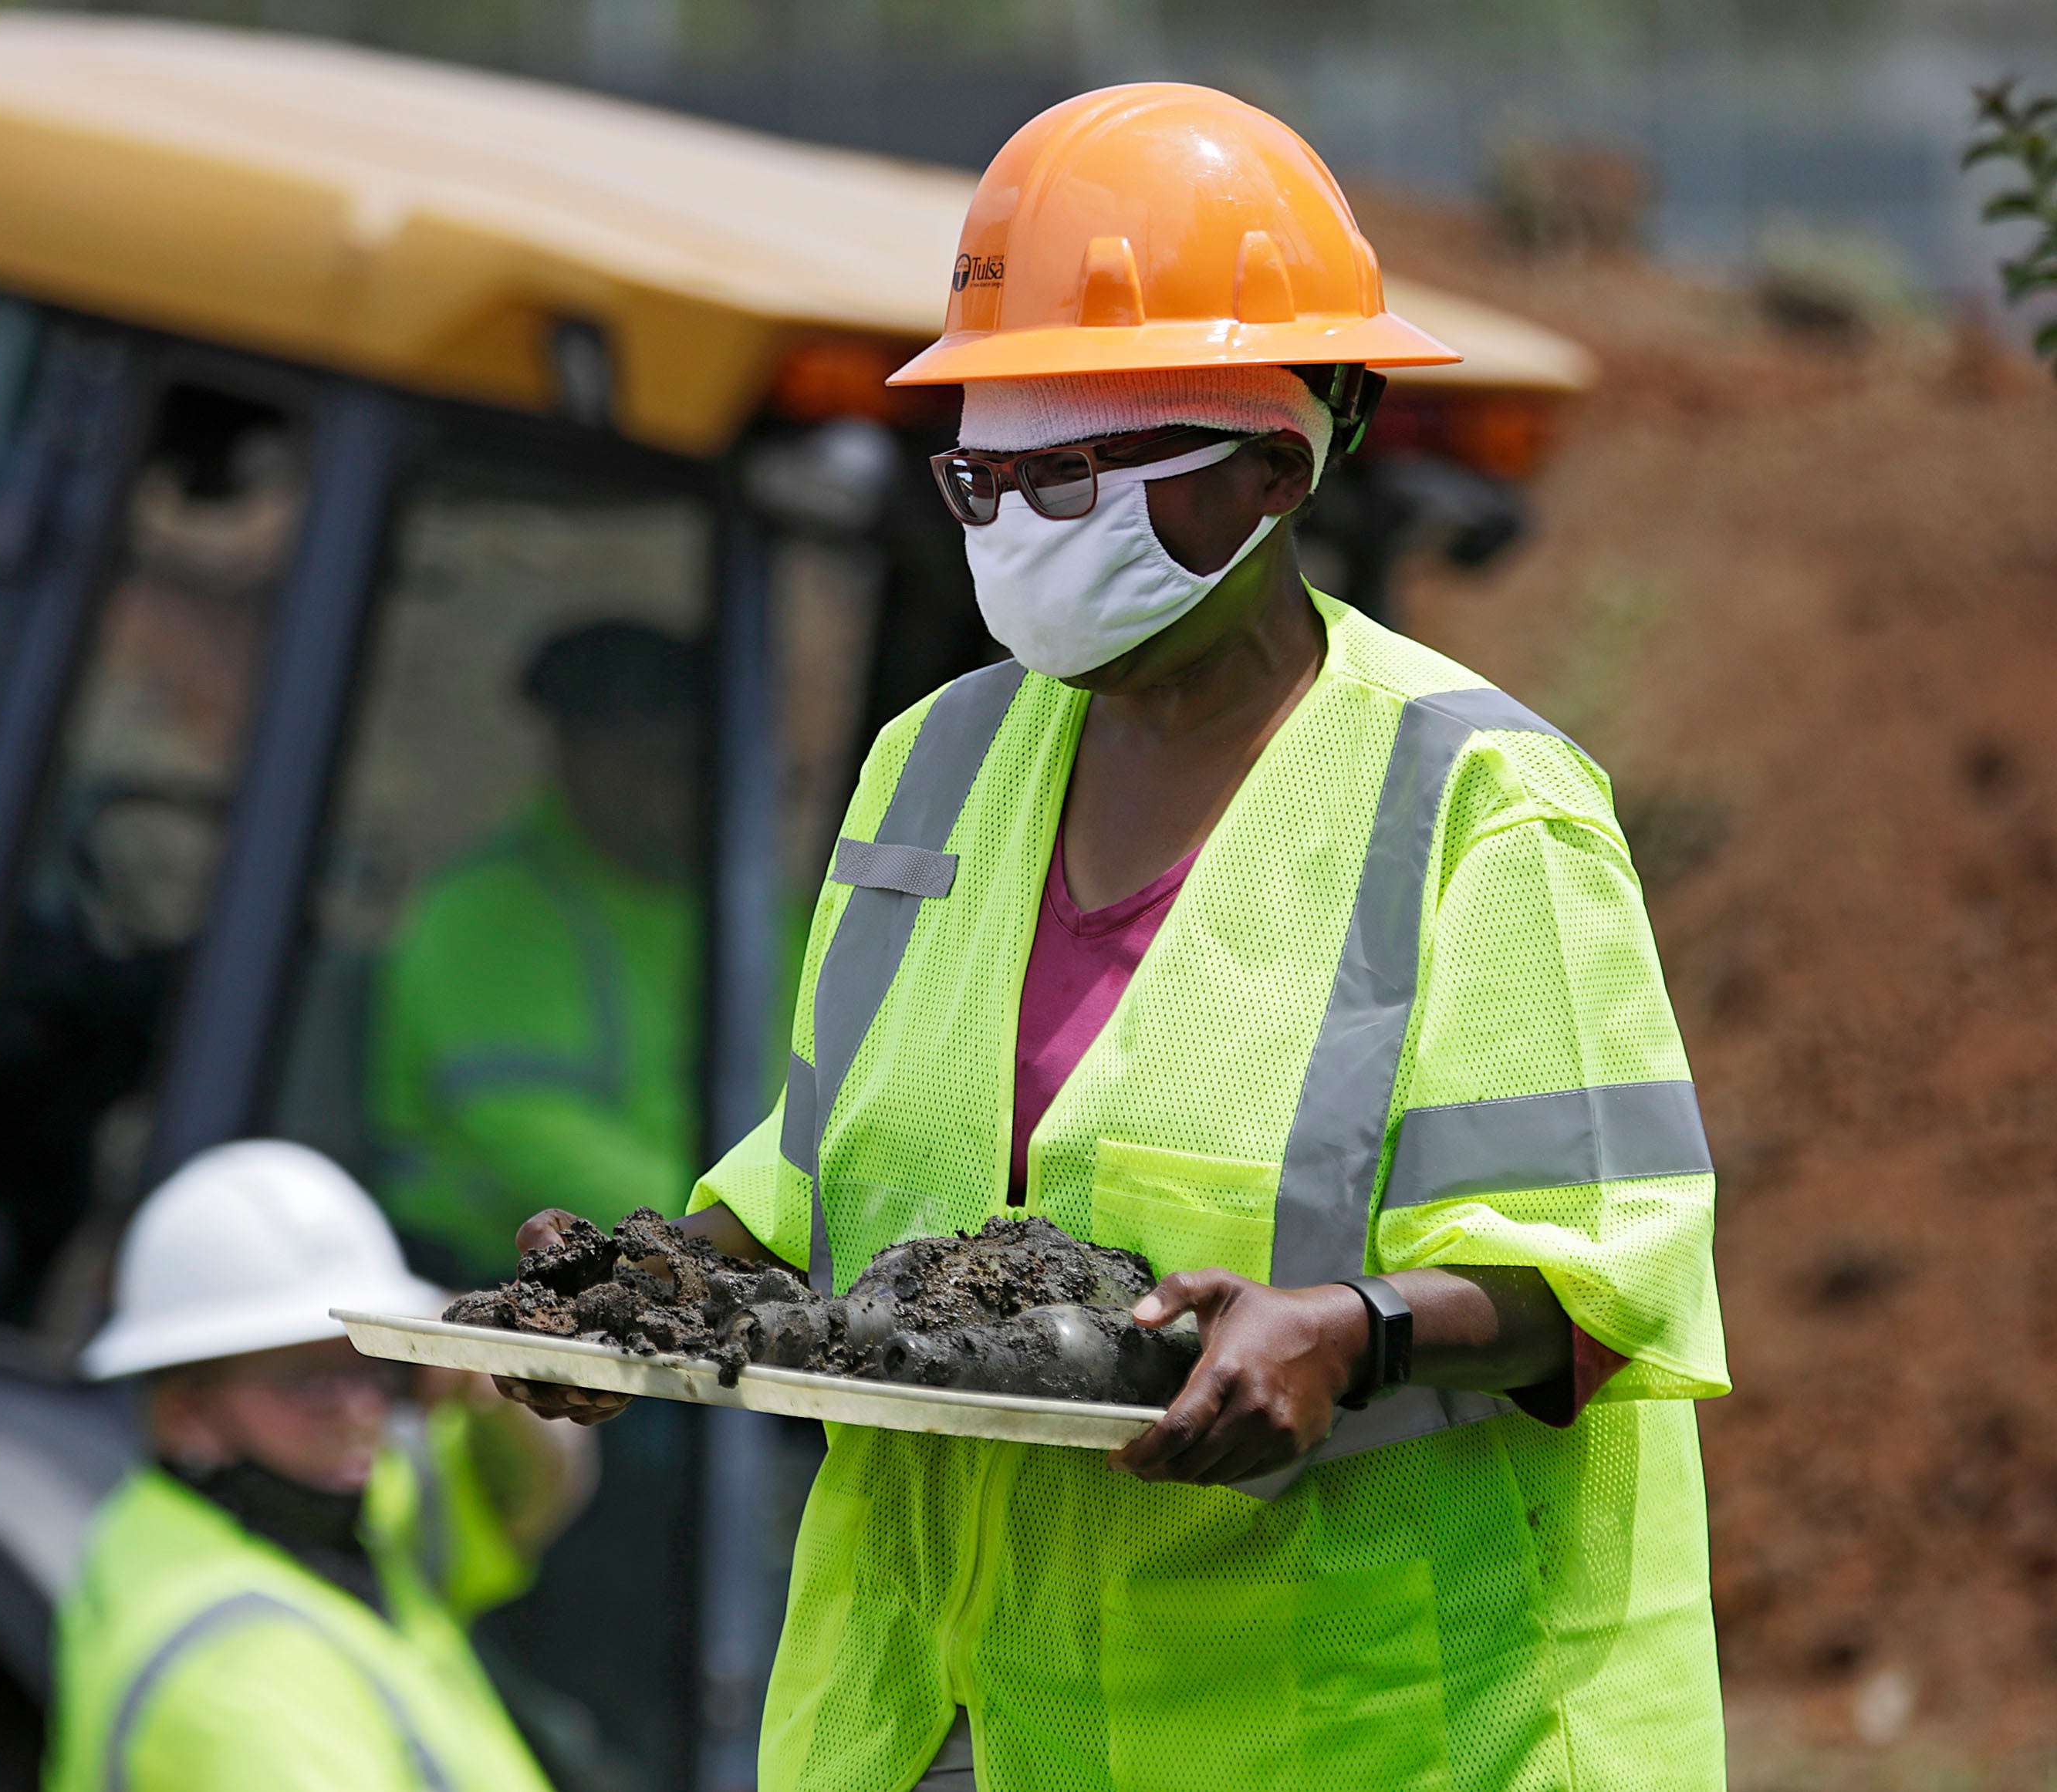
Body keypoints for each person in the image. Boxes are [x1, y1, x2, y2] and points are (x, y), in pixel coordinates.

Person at [504, 84, 1729, 1792]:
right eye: (976, 476)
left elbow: (1601, 1278)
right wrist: (650, 1292)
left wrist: (1348, 1330)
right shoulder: (928, 769)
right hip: (940, 1720)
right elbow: (825, 1184)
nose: (1010, 526)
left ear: (1277, 464)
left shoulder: (1479, 807)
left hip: (1351, 1736)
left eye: (1068, 473)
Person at [46, 1139, 593, 1792]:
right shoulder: (245, 1684)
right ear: (183, 1409)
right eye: (309, 1382)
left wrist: (495, 1382)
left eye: (373, 1368)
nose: (362, 1410)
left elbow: (531, 1501)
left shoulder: (301, 1508)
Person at [373, 621, 706, 1284]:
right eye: (635, 759)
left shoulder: (766, 914)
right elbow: (531, 1137)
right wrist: (736, 1236)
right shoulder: (491, 914)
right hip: (506, 1298)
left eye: (681, 761)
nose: (663, 786)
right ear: (574, 753)